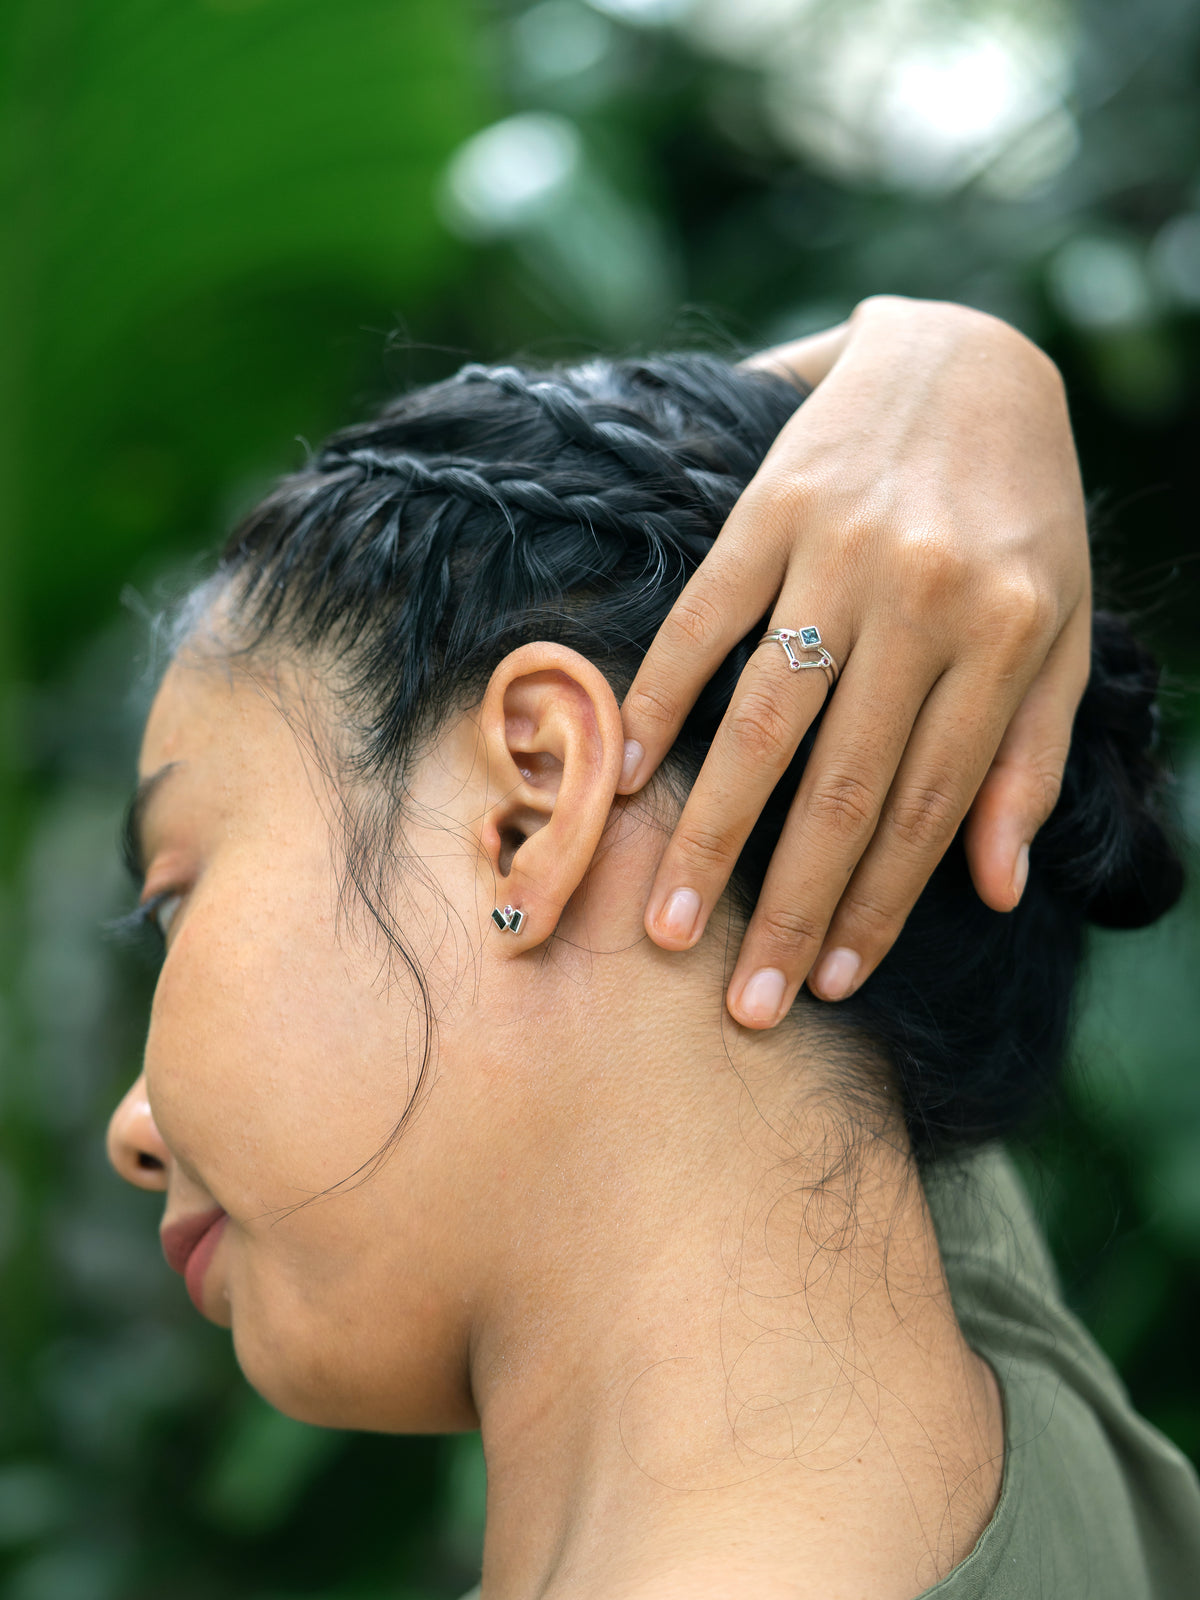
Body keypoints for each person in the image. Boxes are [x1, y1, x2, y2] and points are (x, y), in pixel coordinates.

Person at [105, 299, 1200, 1598]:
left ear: (527, 806)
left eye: (177, 894)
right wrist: (966, 363)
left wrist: (962, 375)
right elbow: (685, 535)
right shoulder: (946, 1326)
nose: (136, 1125)